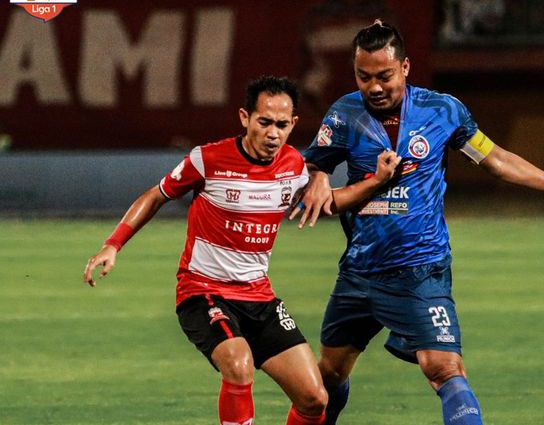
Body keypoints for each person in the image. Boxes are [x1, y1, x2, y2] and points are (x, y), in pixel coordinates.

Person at [291, 20, 544, 425]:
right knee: (326, 379)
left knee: (445, 369)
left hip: (421, 270)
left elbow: (496, 159)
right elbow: (310, 164)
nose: (374, 87)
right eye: (364, 77)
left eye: (384, 76)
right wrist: (318, 174)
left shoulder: (442, 110)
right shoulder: (343, 114)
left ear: (406, 67)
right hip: (359, 272)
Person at [83, 75, 401, 425]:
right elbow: (157, 194)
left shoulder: (293, 165)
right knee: (238, 363)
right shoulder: (208, 160)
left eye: (282, 125)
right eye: (264, 122)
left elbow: (329, 203)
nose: (273, 133)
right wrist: (113, 244)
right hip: (203, 293)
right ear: (244, 118)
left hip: (259, 299)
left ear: (293, 123)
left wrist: (376, 181)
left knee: (314, 399)